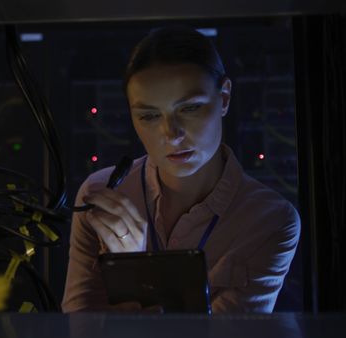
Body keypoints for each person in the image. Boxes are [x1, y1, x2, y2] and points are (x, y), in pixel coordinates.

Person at [62, 26, 301, 313]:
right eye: (149, 115)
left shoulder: (271, 220)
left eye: (189, 109)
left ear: (224, 97)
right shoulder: (100, 195)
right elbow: (79, 329)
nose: (171, 134)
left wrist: (134, 271)